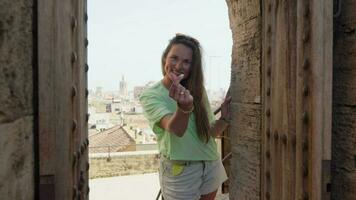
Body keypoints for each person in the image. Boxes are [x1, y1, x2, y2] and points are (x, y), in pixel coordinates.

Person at [139, 33, 231, 200]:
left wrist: (224, 119)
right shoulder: (151, 95)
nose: (179, 65)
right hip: (181, 172)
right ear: (164, 59)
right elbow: (175, 129)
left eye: (187, 62)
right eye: (174, 58)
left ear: (193, 67)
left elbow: (209, 133)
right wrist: (184, 108)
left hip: (211, 164)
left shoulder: (198, 89)